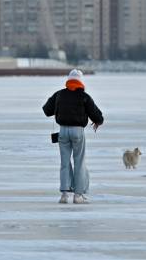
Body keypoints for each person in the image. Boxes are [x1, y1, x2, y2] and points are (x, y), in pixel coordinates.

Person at [42, 68, 104, 204]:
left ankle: (64, 195)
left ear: (68, 80)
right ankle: (78, 195)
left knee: (64, 163)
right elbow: (96, 115)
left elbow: (47, 110)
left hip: (63, 132)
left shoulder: (59, 94)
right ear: (80, 81)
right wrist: (98, 121)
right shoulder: (84, 97)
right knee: (79, 162)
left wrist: (60, 106)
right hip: (77, 132)